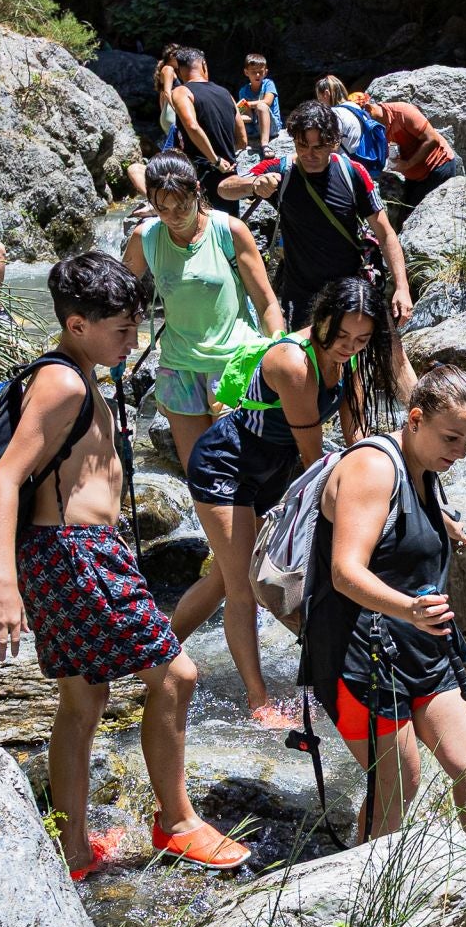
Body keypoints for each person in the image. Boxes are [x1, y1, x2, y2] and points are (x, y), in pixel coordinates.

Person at [0, 251, 250, 880]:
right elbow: (5, 481)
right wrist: (1, 585)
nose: (134, 339)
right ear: (77, 326)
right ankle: (177, 822)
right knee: (177, 675)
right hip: (75, 556)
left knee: (83, 696)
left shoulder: (77, 370)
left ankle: (71, 852)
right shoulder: (64, 382)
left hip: (65, 554)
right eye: (122, 330)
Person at [303, 363, 466, 899]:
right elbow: (345, 572)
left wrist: (437, 519)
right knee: (399, 783)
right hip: (358, 657)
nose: (462, 452)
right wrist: (410, 608)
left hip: (420, 648)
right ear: (415, 419)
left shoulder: (425, 466)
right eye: (452, 438)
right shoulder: (372, 468)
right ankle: (363, 901)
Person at [173, 278, 408, 726]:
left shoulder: (350, 357)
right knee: (243, 586)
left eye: (361, 340)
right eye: (342, 338)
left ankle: (155, 653)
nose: (350, 348)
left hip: (271, 469)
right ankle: (258, 701)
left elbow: (357, 438)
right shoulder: (295, 364)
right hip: (228, 466)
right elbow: (311, 458)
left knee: (224, 578)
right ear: (321, 321)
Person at [120, 151, 284, 467]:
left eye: (181, 205)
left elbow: (266, 303)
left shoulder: (229, 231)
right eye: (162, 209)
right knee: (199, 472)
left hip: (234, 364)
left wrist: (278, 352)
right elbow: (118, 301)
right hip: (179, 368)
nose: (173, 215)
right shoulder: (146, 238)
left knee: (238, 471)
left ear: (197, 190)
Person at [221, 100, 413, 328]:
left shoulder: (352, 173)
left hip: (349, 292)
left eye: (318, 147)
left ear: (333, 143)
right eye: (302, 145)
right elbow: (225, 188)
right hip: (301, 297)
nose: (309, 154)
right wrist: (253, 184)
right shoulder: (282, 172)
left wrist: (402, 287)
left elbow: (386, 234)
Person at [349, 91, 463, 210]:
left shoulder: (403, 113)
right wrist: (394, 161)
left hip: (438, 167)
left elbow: (432, 139)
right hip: (413, 176)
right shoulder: (373, 128)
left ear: (368, 108)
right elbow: (393, 144)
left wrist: (408, 164)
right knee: (408, 213)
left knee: (434, 213)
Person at [168, 47, 240, 211]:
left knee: (202, 230)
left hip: (201, 174)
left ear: (179, 72)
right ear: (204, 66)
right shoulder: (225, 93)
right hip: (230, 174)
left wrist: (215, 160)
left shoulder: (181, 91)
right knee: (228, 228)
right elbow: (242, 137)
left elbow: (192, 125)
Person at [125, 43, 185, 197]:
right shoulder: (169, 69)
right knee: (178, 143)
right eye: (175, 55)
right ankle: (170, 177)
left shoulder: (169, 70)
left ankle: (171, 178)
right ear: (169, 57)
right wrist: (178, 108)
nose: (179, 57)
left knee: (176, 144)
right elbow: (166, 92)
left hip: (168, 112)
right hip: (172, 111)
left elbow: (162, 97)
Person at [236, 53, 281, 156]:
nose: (257, 75)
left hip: (272, 127)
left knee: (261, 106)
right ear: (246, 72)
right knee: (233, 116)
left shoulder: (268, 84)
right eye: (253, 72)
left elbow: (267, 102)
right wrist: (234, 115)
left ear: (265, 72)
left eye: (260, 72)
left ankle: (265, 145)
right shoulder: (243, 91)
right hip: (254, 127)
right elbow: (248, 117)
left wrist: (248, 104)